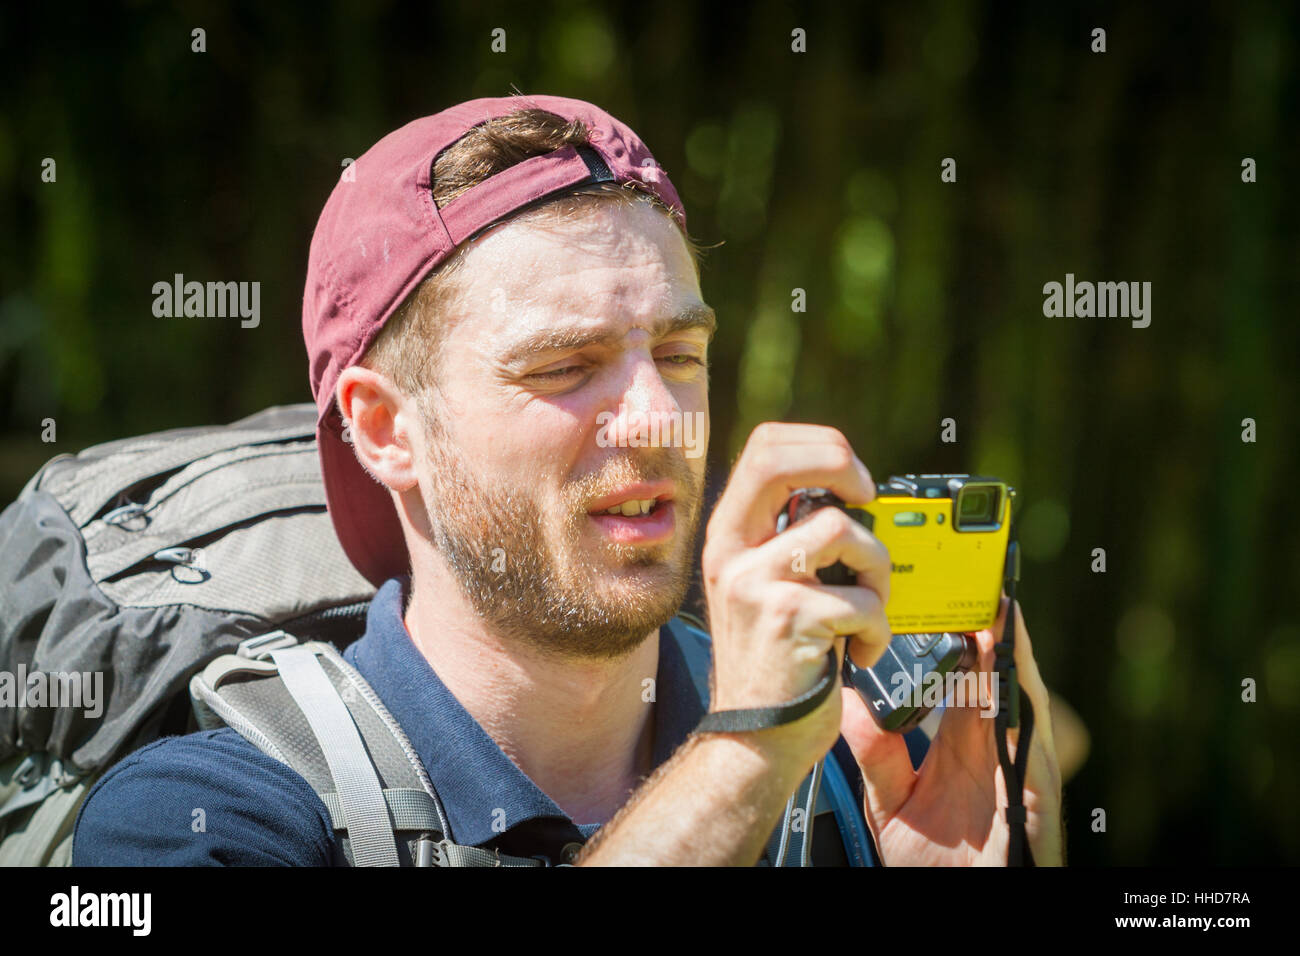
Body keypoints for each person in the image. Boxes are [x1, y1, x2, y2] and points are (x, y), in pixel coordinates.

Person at [74, 94, 1062, 866]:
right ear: (385, 429)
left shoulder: (839, 781)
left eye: (678, 353)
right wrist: (740, 765)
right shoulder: (205, 814)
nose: (656, 417)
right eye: (562, 366)